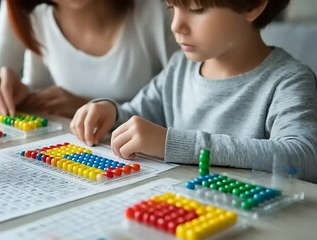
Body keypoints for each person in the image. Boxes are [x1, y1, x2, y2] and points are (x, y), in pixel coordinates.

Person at [70, 0, 317, 183]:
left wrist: (173, 144)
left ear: (252, 5)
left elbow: (303, 157)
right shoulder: (179, 67)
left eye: (197, 10)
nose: (177, 25)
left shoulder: (289, 80)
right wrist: (110, 111)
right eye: (172, 8)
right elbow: (136, 115)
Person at [0, 0, 177, 118]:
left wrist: (85, 106)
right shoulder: (30, 13)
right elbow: (38, 88)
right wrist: (15, 92)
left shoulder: (159, 10)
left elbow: (189, 111)